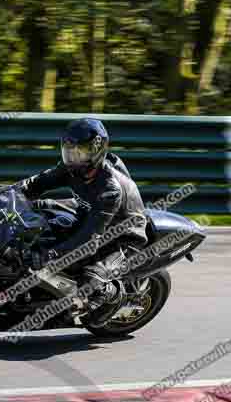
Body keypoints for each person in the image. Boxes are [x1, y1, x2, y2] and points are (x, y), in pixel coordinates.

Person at [13, 117, 149, 327]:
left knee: (91, 279)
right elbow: (37, 183)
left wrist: (52, 254)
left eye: (80, 152)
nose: (73, 157)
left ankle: (114, 297)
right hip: (88, 211)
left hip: (124, 236)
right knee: (39, 209)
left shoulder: (109, 189)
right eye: (69, 151)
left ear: (96, 151)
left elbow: (89, 239)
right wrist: (10, 192)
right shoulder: (71, 168)